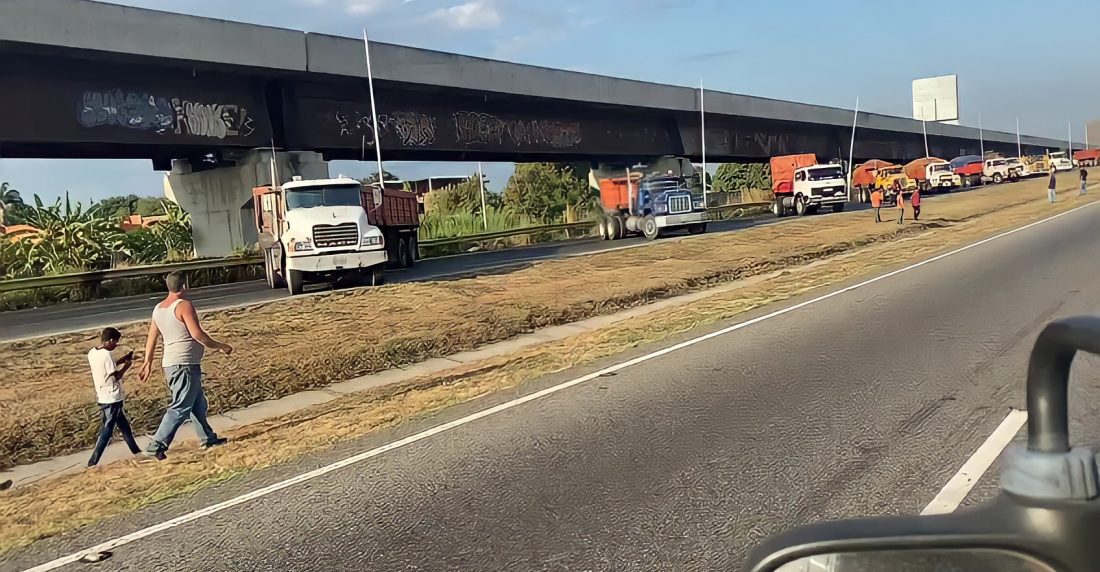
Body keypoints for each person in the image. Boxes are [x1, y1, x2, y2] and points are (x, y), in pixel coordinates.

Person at [138, 271, 233, 460]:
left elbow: (152, 337)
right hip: (184, 364)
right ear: (184, 286)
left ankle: (207, 438)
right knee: (181, 406)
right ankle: (156, 445)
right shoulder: (183, 306)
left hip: (172, 364)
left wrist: (147, 361)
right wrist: (221, 346)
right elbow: (198, 334)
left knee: (197, 404)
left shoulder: (158, 308)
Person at [87, 327, 143, 466]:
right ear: (110, 340)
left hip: (102, 394)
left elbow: (105, 369)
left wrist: (121, 360)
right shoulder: (107, 355)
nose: (115, 346)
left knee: (124, 427)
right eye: (115, 343)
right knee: (107, 430)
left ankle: (137, 452)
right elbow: (116, 376)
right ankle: (92, 462)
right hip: (111, 397)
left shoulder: (92, 353)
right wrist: (127, 366)